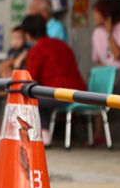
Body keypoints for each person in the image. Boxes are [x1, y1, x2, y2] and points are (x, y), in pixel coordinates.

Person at [20, 13, 87, 144]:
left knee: (31, 97)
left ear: (28, 35)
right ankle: (44, 135)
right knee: (40, 96)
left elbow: (30, 79)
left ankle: (42, 136)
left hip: (60, 94)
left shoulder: (36, 50)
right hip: (80, 92)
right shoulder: (62, 44)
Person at [91, 0, 120, 97]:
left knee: (111, 78)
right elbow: (99, 62)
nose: (93, 16)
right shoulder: (97, 33)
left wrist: (109, 33)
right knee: (95, 77)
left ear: (106, 15)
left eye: (96, 13)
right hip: (108, 73)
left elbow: (118, 54)